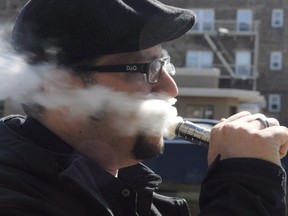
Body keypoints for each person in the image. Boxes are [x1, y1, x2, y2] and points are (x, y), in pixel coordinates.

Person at [0, 0, 288, 215]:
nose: (171, 89)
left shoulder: (129, 198)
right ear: (60, 89)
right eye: (145, 68)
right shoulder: (15, 200)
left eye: (163, 64)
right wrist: (246, 185)